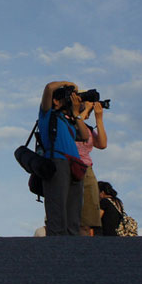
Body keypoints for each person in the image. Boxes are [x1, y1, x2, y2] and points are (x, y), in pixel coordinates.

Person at [39, 81, 88, 236]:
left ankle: (72, 245)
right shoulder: (47, 114)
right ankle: (56, 248)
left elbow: (85, 135)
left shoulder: (68, 120)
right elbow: (48, 88)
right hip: (57, 161)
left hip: (75, 166)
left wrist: (76, 114)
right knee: (57, 207)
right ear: (56, 101)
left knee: (74, 211)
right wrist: (68, 84)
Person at [78, 101, 108, 236]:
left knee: (87, 218)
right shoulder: (66, 121)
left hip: (86, 168)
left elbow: (102, 144)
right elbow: (74, 127)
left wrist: (99, 118)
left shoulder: (87, 127)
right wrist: (83, 112)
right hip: (69, 166)